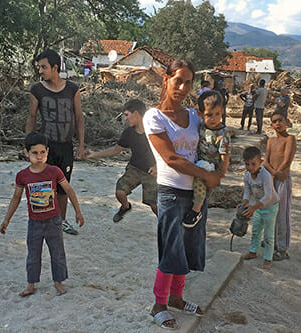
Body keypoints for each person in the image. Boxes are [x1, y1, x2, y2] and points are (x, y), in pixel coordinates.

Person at [143, 60, 222, 330]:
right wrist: (207, 176)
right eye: (178, 80)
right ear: (166, 79)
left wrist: (220, 169)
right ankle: (159, 304)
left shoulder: (193, 114)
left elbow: (213, 140)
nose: (182, 87)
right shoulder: (154, 117)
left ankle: (177, 298)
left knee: (188, 248)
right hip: (171, 193)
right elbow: (171, 158)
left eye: (188, 82)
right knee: (170, 249)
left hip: (197, 194)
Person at [0, 132, 84, 297]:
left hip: (54, 221)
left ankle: (58, 282)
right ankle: (31, 284)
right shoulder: (23, 175)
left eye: (42, 152)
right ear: (26, 153)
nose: (39, 156)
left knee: (57, 253)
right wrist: (6, 219)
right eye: (34, 153)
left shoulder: (54, 171)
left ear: (47, 151)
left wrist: (78, 212)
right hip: (34, 223)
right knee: (33, 255)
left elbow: (69, 191)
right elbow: (16, 198)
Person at [26, 49, 85, 236]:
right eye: (39, 67)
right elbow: (32, 116)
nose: (40, 71)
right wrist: (29, 147)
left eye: (44, 67)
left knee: (63, 186)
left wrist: (81, 145)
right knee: (43, 185)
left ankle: (62, 221)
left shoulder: (72, 89)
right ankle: (44, 221)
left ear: (55, 67)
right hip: (45, 148)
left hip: (66, 146)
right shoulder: (37, 90)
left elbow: (79, 118)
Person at [84, 99, 158, 221]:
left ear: (136, 114)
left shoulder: (154, 130)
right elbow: (116, 150)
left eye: (127, 115)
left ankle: (166, 227)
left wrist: (157, 166)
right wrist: (93, 155)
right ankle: (125, 207)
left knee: (155, 205)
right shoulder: (129, 132)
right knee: (120, 192)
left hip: (151, 173)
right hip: (134, 169)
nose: (126, 118)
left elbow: (164, 151)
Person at [182, 90, 230, 228]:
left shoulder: (222, 134)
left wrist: (220, 173)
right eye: (209, 115)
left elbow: (224, 155)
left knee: (200, 183)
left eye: (217, 114)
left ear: (222, 112)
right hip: (199, 160)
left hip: (210, 166)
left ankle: (196, 210)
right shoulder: (201, 125)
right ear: (200, 114)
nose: (214, 118)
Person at [263, 112, 297, 260]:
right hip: (272, 179)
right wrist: (273, 174)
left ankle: (283, 248)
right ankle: (272, 242)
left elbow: (287, 160)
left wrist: (277, 173)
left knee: (282, 214)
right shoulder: (271, 141)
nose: (278, 124)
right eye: (275, 121)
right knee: (271, 212)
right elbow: (265, 161)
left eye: (280, 120)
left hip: (282, 180)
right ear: (271, 125)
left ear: (287, 122)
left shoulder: (290, 139)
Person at [241, 146, 279, 270]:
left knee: (268, 234)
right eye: (247, 164)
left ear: (260, 162)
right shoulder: (247, 176)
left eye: (253, 164)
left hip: (270, 206)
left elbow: (269, 196)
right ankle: (253, 251)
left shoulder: (266, 175)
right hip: (257, 207)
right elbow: (247, 191)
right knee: (256, 231)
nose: (250, 167)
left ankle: (268, 258)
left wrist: (253, 207)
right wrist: (245, 202)